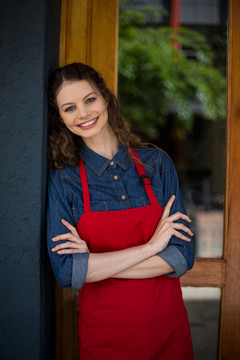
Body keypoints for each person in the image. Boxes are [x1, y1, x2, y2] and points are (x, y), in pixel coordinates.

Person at [47, 62, 194, 360]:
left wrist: (92, 266)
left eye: (89, 100)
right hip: (105, 335)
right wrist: (152, 248)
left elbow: (181, 256)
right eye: (69, 108)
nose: (84, 114)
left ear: (105, 99)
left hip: (168, 331)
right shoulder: (64, 179)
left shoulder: (157, 164)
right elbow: (66, 271)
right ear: (60, 118)